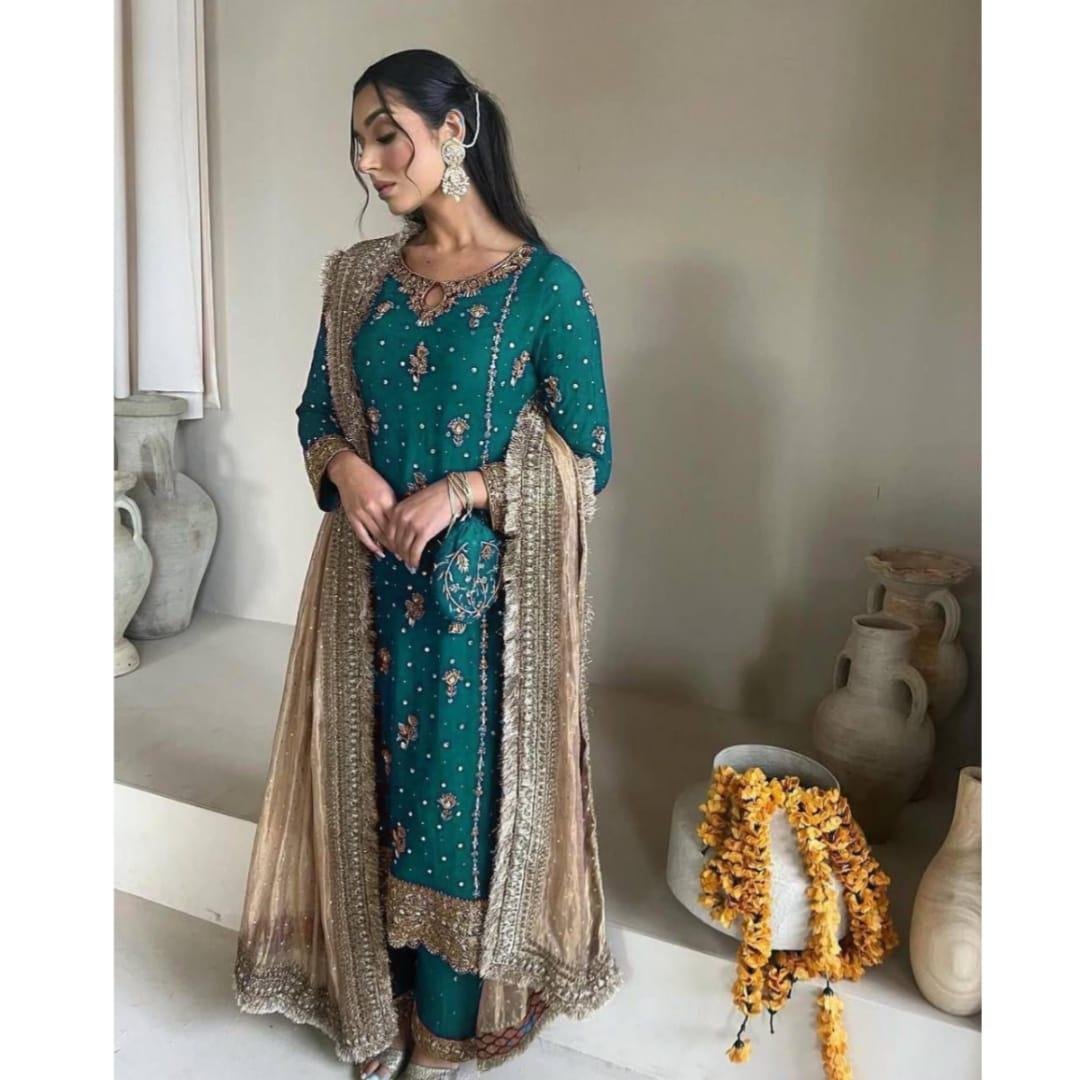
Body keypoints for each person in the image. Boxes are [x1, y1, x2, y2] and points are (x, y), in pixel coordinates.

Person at [234, 49, 621, 1079]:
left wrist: (464, 490)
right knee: (368, 793)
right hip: (364, 592)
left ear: (454, 131)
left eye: (385, 135)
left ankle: (444, 1032)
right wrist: (343, 467)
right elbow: (316, 413)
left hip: (472, 616)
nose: (367, 161)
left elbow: (590, 458)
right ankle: (376, 1007)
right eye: (357, 142)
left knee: (452, 813)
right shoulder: (360, 279)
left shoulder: (543, 288)